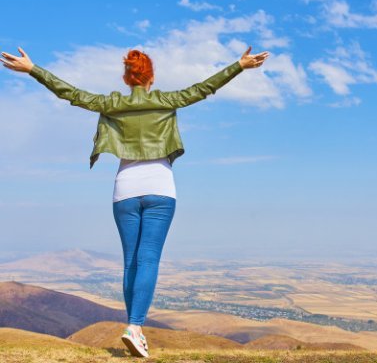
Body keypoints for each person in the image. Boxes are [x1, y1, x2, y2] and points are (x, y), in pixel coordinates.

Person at [0, 45, 269, 358]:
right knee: (149, 257)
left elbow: (70, 93)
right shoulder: (166, 100)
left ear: (127, 79)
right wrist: (239, 65)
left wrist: (33, 69)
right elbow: (204, 88)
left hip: (125, 188)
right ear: (150, 78)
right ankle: (135, 327)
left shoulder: (111, 104)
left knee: (131, 260)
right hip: (160, 186)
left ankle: (134, 329)